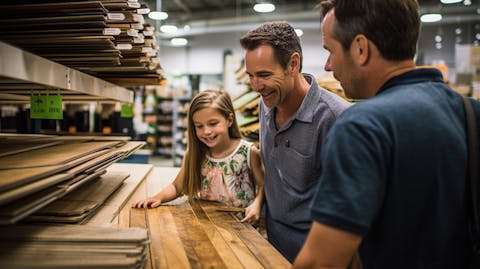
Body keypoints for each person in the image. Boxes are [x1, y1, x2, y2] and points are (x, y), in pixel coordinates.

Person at [293, 0, 480, 268]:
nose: (328, 66)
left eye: (330, 51)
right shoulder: (471, 112)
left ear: (360, 48)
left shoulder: (361, 127)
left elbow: (321, 262)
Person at [239, 21, 351, 262]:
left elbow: (346, 210)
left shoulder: (335, 118)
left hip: (313, 254)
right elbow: (273, 168)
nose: (256, 86)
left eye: (264, 75)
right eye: (251, 76)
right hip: (272, 241)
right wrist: (260, 202)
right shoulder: (266, 103)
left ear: (293, 64)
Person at [132, 89, 264, 224]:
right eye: (199, 126)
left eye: (213, 124)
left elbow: (264, 185)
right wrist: (157, 198)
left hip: (243, 228)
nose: (206, 131)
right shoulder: (195, 154)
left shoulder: (248, 152)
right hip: (207, 226)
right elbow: (177, 187)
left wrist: (257, 205)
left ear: (229, 120)